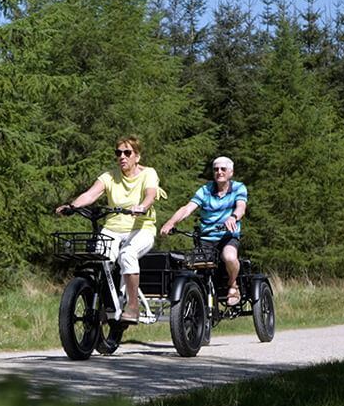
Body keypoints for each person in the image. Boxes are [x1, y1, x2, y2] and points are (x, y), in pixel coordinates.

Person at [56, 135, 162, 323]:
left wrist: (142, 207)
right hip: (113, 228)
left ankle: (133, 306)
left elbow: (151, 194)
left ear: (137, 156)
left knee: (127, 255)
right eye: (118, 153)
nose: (122, 156)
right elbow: (91, 194)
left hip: (141, 228)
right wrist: (72, 207)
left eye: (127, 153)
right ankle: (104, 303)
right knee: (99, 258)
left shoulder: (148, 173)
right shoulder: (109, 177)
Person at [161, 156, 249, 306]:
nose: (219, 172)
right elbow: (188, 208)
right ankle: (190, 297)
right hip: (206, 238)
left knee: (229, 257)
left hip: (228, 236)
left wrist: (233, 217)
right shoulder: (205, 190)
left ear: (231, 172)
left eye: (223, 169)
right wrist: (171, 222)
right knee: (191, 265)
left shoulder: (238, 188)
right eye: (216, 169)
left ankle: (233, 285)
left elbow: (241, 207)